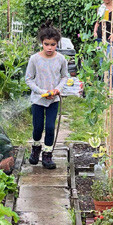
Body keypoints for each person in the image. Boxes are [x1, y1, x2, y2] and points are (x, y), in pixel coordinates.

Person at [25, 20, 68, 169]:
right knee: (38, 127)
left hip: (53, 100)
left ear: (57, 44)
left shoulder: (61, 59)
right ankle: (36, 149)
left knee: (50, 127)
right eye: (46, 44)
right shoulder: (35, 59)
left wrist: (57, 90)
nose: (49, 48)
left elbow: (65, 77)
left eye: (53, 44)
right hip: (38, 99)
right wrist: (42, 92)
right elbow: (28, 79)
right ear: (41, 43)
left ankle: (48, 155)